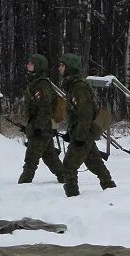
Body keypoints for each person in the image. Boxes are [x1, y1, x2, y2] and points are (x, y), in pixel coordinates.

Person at [59, 53, 115, 197]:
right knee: (94, 162)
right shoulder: (73, 86)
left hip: (84, 133)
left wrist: (80, 137)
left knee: (69, 165)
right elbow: (77, 114)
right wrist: (71, 132)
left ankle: (72, 196)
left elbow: (85, 114)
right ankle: (111, 189)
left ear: (70, 68)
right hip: (81, 132)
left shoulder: (79, 87)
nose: (60, 68)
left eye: (63, 66)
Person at [18, 54, 64, 184]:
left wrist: (38, 126)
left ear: (38, 66)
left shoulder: (42, 84)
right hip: (40, 125)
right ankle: (64, 176)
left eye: (31, 64)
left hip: (42, 126)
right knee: (49, 157)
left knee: (31, 157)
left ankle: (24, 182)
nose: (28, 66)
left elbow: (46, 108)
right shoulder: (36, 82)